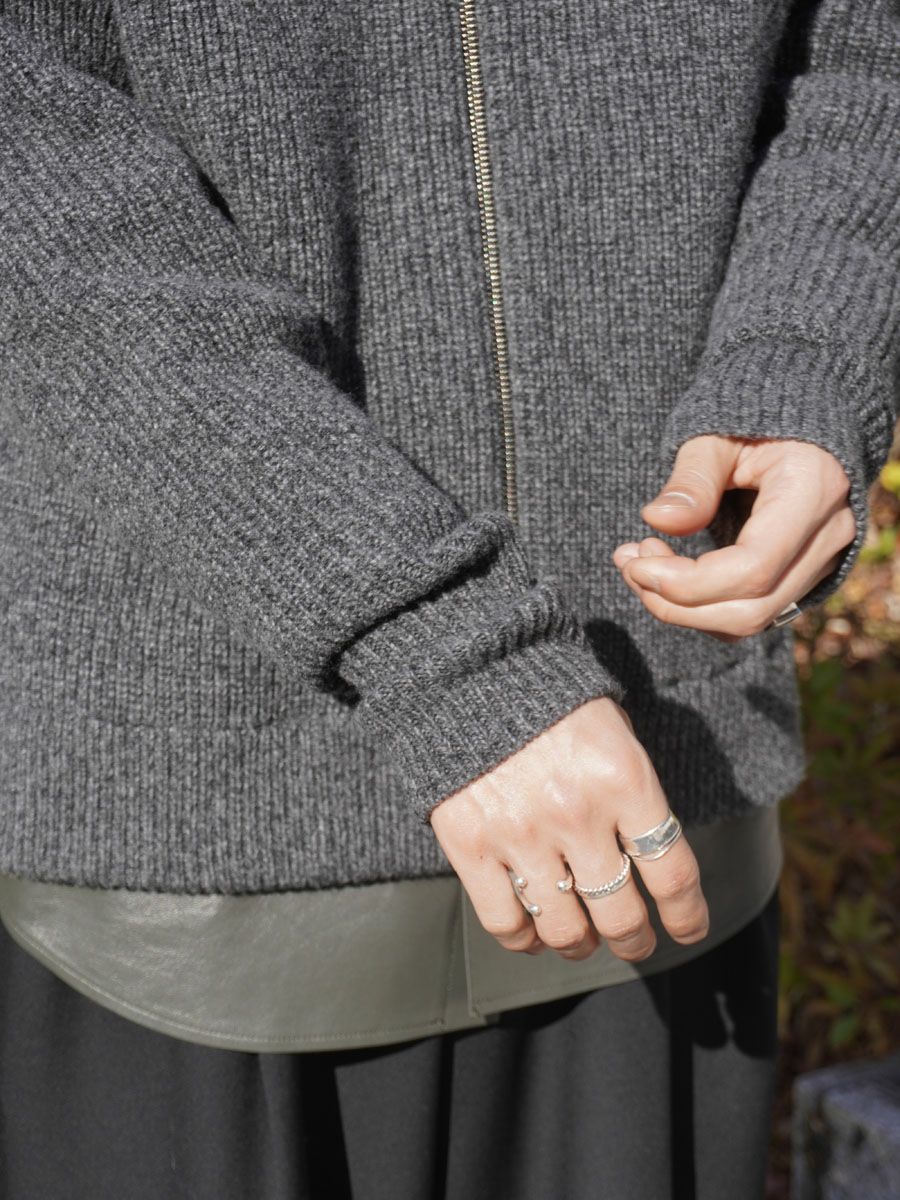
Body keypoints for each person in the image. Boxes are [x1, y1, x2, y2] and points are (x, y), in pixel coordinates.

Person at [0, 1, 897, 1197]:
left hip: (665, 818)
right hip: (188, 883)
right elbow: (38, 192)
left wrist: (806, 356)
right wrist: (439, 645)